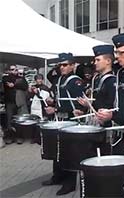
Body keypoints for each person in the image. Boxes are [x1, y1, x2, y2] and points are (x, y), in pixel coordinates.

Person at [43, 53, 85, 196]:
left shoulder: (76, 81)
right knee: (58, 151)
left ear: (73, 65)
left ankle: (70, 183)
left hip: (71, 119)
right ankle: (57, 176)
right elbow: (58, 98)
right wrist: (52, 102)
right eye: (60, 65)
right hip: (59, 119)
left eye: (65, 64)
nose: (62, 67)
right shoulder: (59, 79)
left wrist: (55, 108)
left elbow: (78, 106)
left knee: (69, 153)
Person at [28, 74, 50, 144]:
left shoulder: (45, 88)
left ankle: (41, 138)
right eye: (37, 79)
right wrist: (30, 92)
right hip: (33, 108)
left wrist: (37, 93)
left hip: (41, 109)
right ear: (35, 80)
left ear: (42, 79)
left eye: (40, 79)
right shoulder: (33, 87)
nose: (39, 80)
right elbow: (29, 97)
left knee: (41, 123)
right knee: (34, 123)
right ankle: (34, 138)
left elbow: (43, 99)